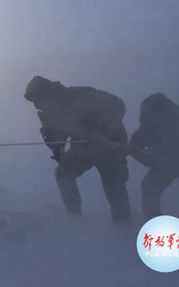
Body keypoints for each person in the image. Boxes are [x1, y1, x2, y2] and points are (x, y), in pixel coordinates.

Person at [24, 76, 132, 224]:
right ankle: (75, 218)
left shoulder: (82, 95)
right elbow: (61, 132)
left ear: (47, 93)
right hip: (83, 148)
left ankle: (124, 229)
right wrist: (57, 146)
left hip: (110, 147)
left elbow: (117, 104)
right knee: (63, 174)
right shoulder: (51, 112)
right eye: (34, 102)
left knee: (114, 189)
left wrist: (103, 131)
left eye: (38, 100)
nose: (38, 105)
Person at [129, 93, 179, 224]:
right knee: (149, 188)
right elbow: (133, 147)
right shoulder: (147, 129)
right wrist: (151, 160)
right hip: (164, 164)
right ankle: (153, 223)